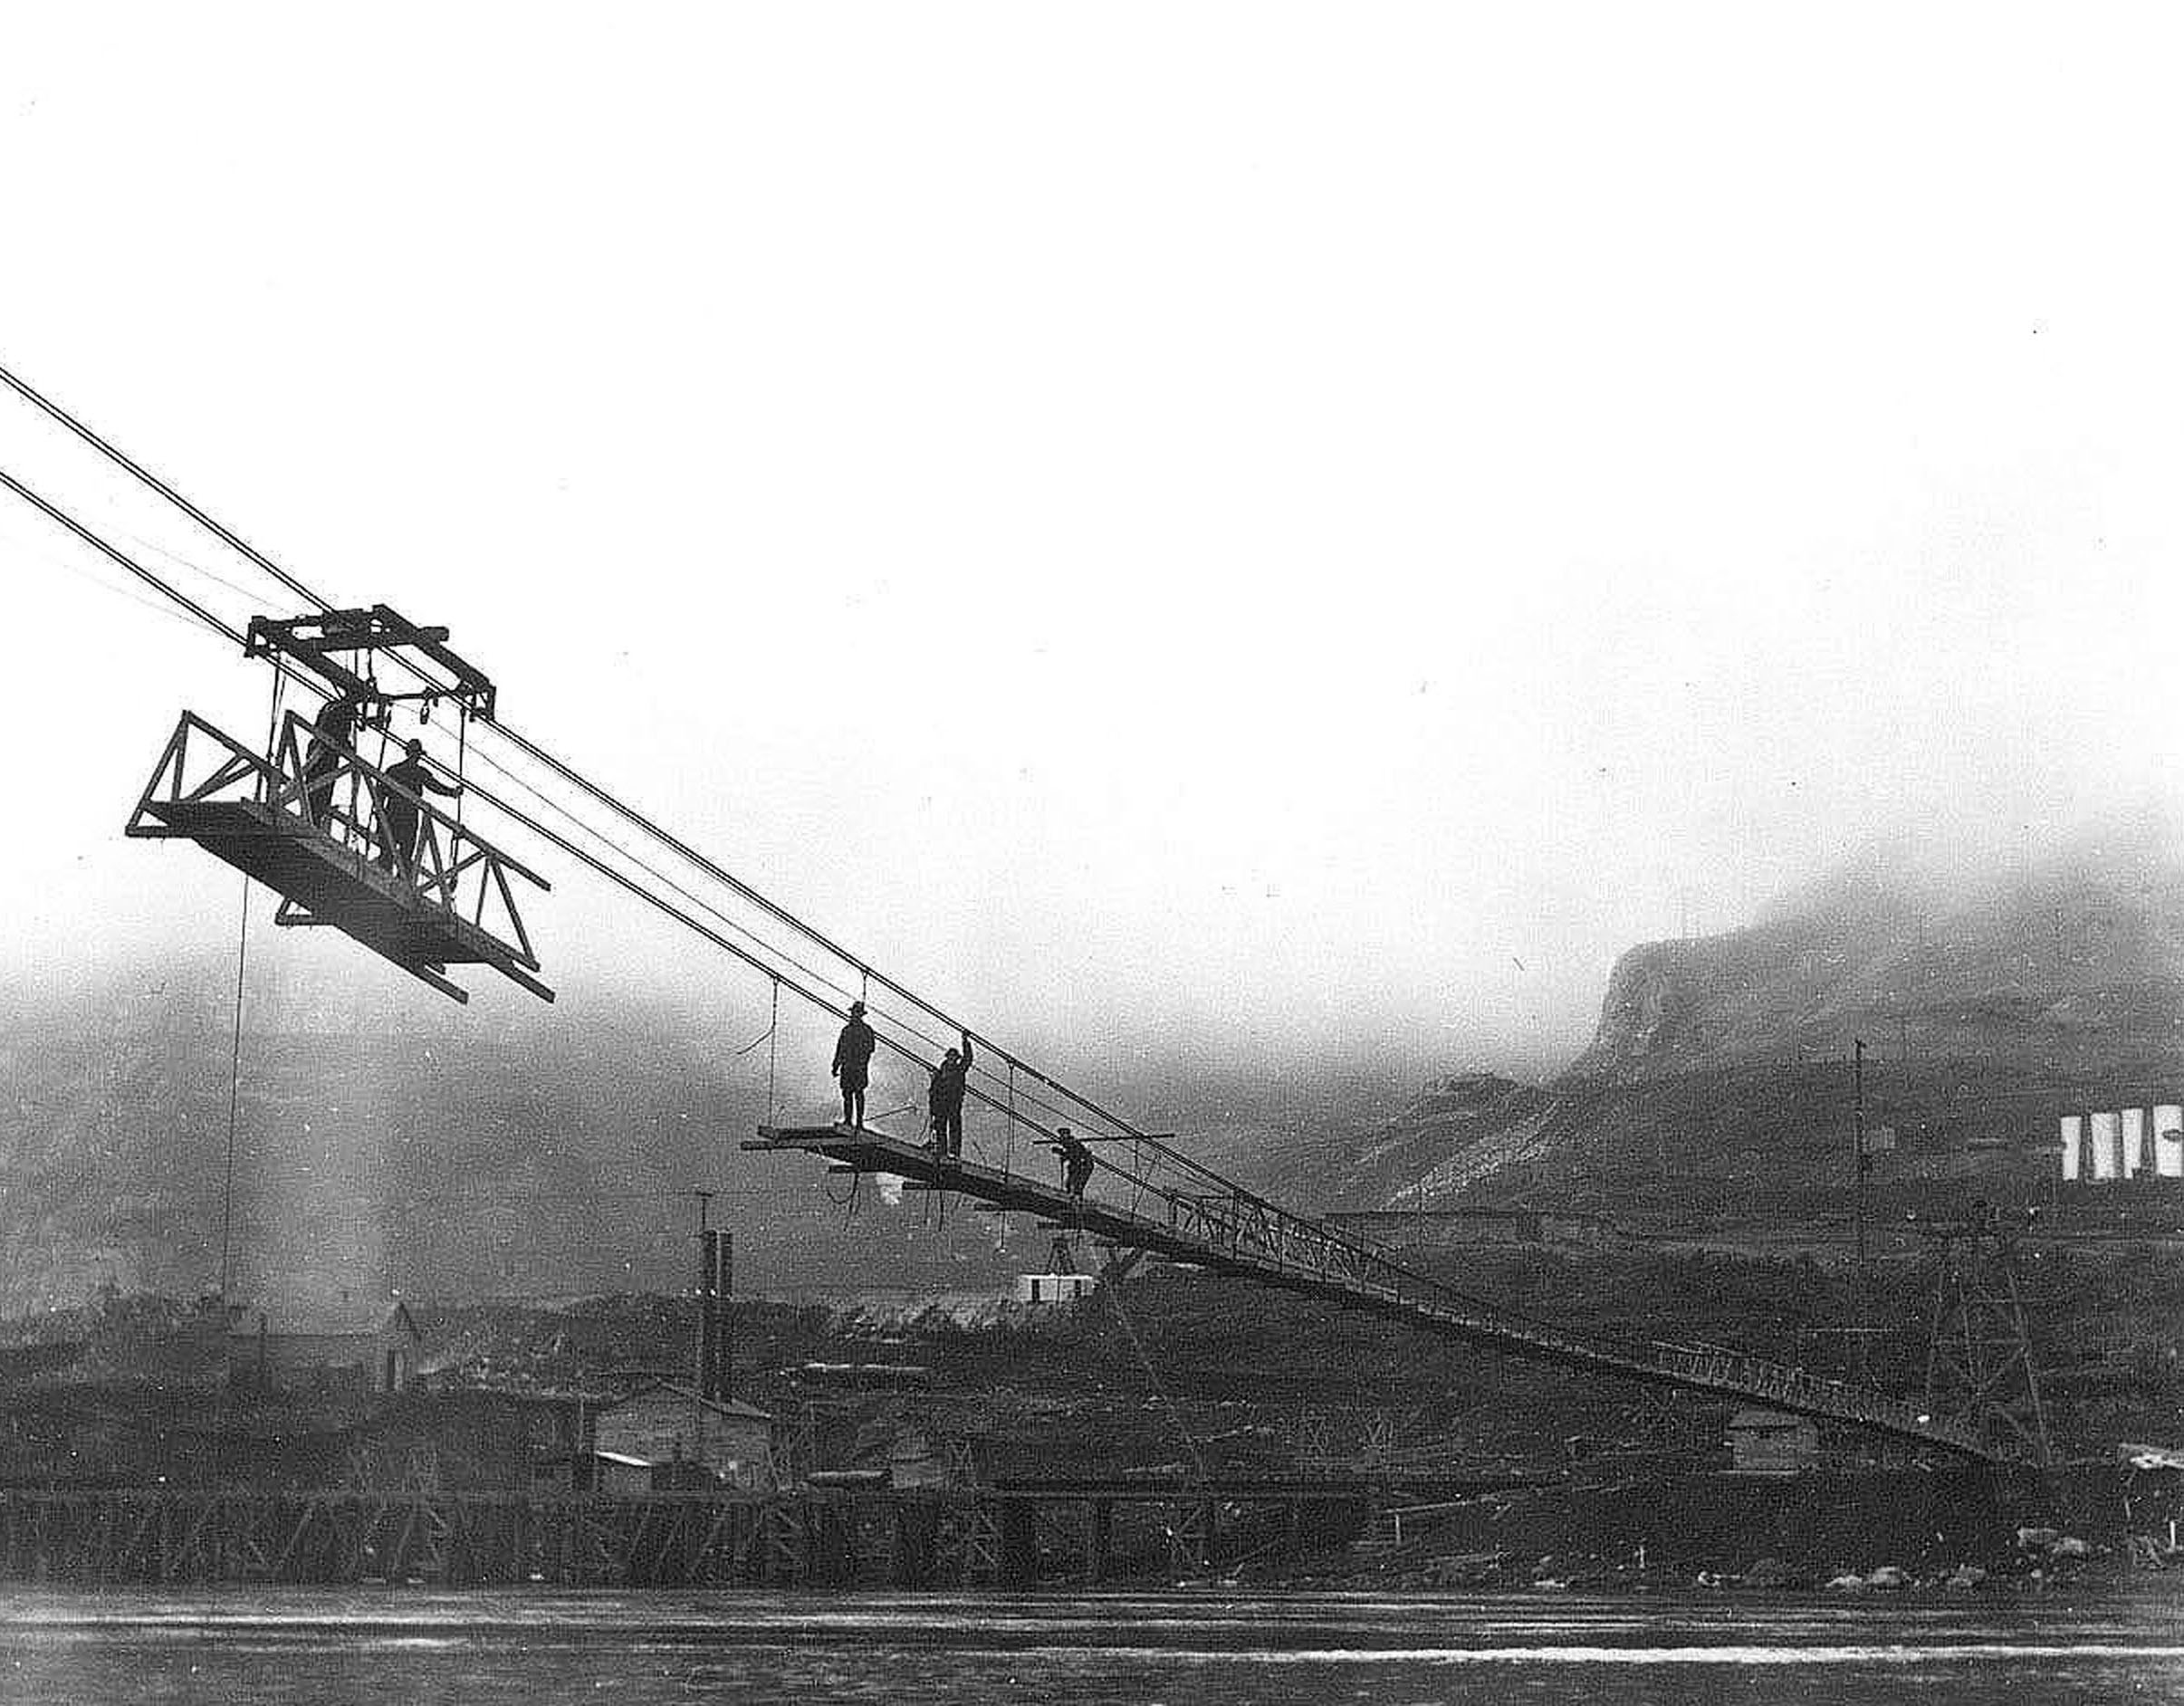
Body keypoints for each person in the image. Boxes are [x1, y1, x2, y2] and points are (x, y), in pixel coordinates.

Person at [377, 737, 462, 876]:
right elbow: (435, 786)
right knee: (405, 853)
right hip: (408, 816)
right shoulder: (419, 772)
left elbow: (380, 793)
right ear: (418, 755)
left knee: (387, 851)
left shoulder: (393, 770)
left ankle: (385, 875)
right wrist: (452, 792)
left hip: (391, 814)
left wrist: (379, 816)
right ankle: (401, 881)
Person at [302, 693, 364, 829]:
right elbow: (340, 734)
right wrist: (349, 749)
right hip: (327, 754)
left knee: (311, 785)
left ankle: (309, 817)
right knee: (322, 790)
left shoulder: (329, 705)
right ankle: (314, 821)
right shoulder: (346, 709)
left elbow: (320, 726)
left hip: (315, 748)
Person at [927, 1033, 973, 1160]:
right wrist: (932, 1107)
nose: (952, 1058)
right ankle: (942, 1150)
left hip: (954, 1103)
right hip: (942, 1104)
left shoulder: (959, 1069)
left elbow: (968, 1059)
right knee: (941, 1127)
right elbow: (933, 1091)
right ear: (947, 1058)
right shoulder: (940, 1073)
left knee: (954, 1128)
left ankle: (954, 1152)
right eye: (950, 1056)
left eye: (954, 1057)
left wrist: (965, 1041)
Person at [830, 1001, 876, 1129]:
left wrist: (837, 1064)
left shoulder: (856, 1030)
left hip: (855, 1066)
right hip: (853, 1067)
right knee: (849, 1094)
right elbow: (840, 1049)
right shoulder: (854, 1030)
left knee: (855, 1093)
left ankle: (857, 1122)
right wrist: (836, 1065)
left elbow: (870, 1048)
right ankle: (850, 1120)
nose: (854, 1015)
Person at [1051, 1126, 1094, 1199]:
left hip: (1083, 1165)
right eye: (1061, 1135)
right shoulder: (1068, 1143)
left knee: (1077, 1183)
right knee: (1072, 1182)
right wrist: (1062, 1153)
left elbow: (1074, 1154)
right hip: (1077, 1164)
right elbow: (1070, 1155)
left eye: (1063, 1135)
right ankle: (1073, 1196)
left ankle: (1076, 1198)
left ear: (1067, 1134)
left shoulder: (1072, 1143)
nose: (1061, 1137)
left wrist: (1061, 1153)